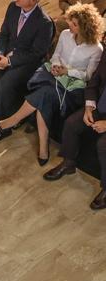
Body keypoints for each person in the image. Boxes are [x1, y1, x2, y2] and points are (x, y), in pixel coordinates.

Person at [0, 3, 104, 165]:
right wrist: (56, 66)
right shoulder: (64, 34)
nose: (70, 24)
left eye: (75, 24)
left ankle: (11, 121)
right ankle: (43, 148)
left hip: (73, 88)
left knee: (44, 94)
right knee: (44, 99)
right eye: (70, 21)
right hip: (54, 76)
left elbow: (88, 76)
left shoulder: (96, 49)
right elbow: (55, 55)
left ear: (85, 27)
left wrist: (67, 71)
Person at [42, 49, 106, 210]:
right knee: (71, 124)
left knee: (103, 145)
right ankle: (68, 163)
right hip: (99, 107)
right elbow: (95, 82)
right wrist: (89, 107)